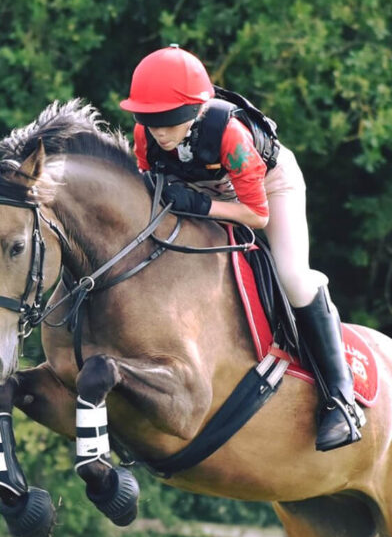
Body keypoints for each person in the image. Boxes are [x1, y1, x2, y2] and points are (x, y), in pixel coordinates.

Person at [119, 44, 364, 451]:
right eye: (149, 119)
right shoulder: (146, 135)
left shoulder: (229, 135)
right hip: (206, 188)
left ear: (196, 111)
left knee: (292, 276)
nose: (158, 131)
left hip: (268, 190)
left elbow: (257, 215)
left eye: (168, 120)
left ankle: (341, 400)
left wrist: (200, 205)